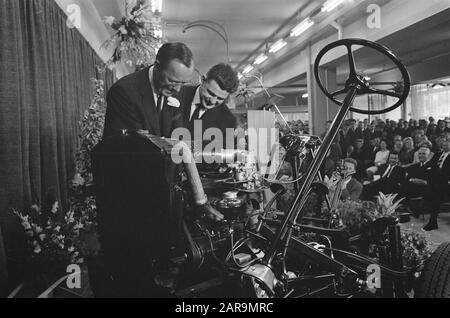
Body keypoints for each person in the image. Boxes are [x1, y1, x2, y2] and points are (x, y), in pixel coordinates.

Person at [103, 42, 195, 139]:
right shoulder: (124, 92)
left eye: (183, 83)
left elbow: (176, 135)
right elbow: (127, 146)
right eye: (172, 81)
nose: (178, 89)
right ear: (157, 66)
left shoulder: (175, 93)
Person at [179, 63, 239, 149]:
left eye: (220, 98)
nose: (213, 101)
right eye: (210, 93)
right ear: (203, 80)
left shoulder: (228, 120)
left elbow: (220, 158)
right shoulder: (176, 94)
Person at [423, 139, 450, 231]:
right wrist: (423, 168)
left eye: (447, 145)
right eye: (443, 145)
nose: (444, 147)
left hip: (446, 182)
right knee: (430, 189)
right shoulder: (438, 154)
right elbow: (430, 163)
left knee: (435, 195)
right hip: (436, 181)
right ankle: (432, 220)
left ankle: (432, 221)